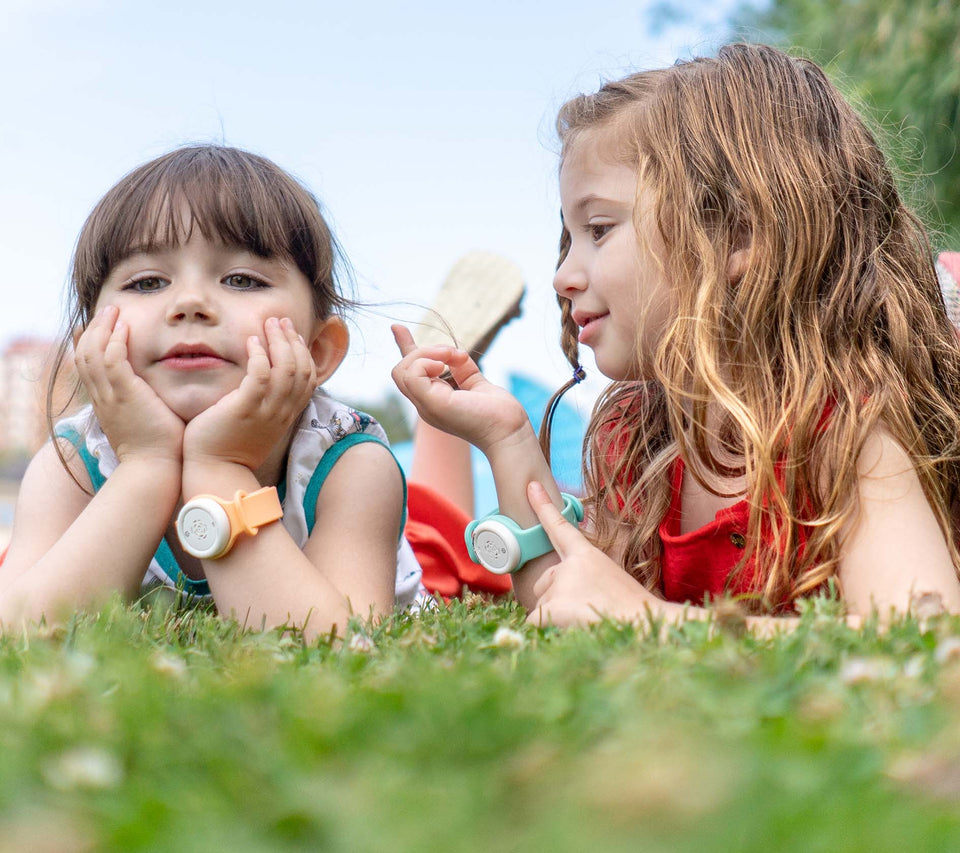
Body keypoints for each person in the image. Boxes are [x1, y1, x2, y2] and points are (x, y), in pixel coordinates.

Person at [392, 43, 960, 630]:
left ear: (737, 234)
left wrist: (651, 619)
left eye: (599, 229)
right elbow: (569, 598)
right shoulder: (639, 436)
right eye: (569, 237)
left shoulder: (842, 430)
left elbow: (923, 630)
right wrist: (507, 439)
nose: (562, 276)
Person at [0, 145, 424, 638]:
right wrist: (145, 465)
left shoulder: (349, 466)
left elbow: (337, 648)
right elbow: (18, 638)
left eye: (242, 279)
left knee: (438, 528)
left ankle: (440, 401)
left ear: (318, 350)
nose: (190, 303)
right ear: (90, 347)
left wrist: (219, 468)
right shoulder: (73, 464)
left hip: (401, 534)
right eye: (146, 282)